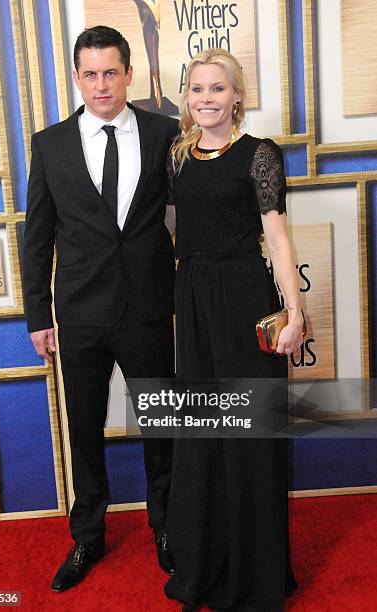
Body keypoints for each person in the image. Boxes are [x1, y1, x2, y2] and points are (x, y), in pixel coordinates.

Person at [23, 25, 178, 592]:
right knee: (83, 429)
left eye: (110, 72)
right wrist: (38, 313)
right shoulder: (50, 144)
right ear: (76, 77)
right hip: (80, 313)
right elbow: (36, 235)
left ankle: (167, 526)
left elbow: (198, 206)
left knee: (161, 425)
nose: (100, 84)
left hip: (147, 306)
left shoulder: (166, 133)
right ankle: (88, 534)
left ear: (129, 73)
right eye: (89, 74)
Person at [164, 49, 304, 611]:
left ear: (237, 95)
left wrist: (295, 312)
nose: (206, 99)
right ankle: (208, 560)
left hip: (246, 298)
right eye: (197, 90)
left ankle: (257, 573)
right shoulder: (177, 158)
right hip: (193, 301)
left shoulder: (260, 156)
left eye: (217, 89)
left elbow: (278, 238)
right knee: (202, 434)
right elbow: (176, 230)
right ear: (188, 98)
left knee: (249, 433)